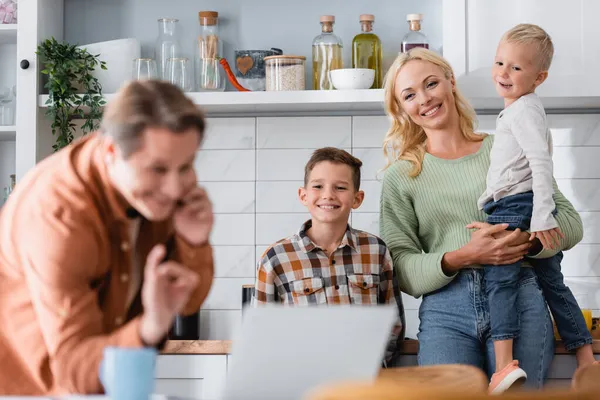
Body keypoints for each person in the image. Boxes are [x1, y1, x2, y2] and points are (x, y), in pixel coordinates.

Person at [378, 47, 584, 389]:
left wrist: (526, 243)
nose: (425, 99)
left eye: (431, 84)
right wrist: (465, 255)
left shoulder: (504, 145)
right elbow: (401, 267)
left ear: (450, 82)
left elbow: (571, 225)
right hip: (446, 309)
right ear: (402, 109)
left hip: (519, 296)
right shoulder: (400, 177)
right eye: (410, 95)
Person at [0, 80, 215, 395]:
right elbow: (74, 370)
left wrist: (193, 243)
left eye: (185, 167)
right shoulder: (58, 214)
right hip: (30, 392)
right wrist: (149, 326)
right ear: (113, 151)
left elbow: (187, 302)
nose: (173, 188)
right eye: (157, 169)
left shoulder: (151, 196)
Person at [477, 23, 596, 393]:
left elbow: (540, 164)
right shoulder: (522, 109)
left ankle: (503, 366)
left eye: (516, 67)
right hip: (517, 203)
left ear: (539, 76)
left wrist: (541, 217)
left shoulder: (522, 111)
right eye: (500, 62)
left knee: (500, 283)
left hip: (515, 207)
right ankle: (586, 359)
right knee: (553, 286)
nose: (503, 73)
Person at [252, 147, 404, 365]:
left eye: (340, 187)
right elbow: (262, 333)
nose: (328, 195)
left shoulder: (376, 251)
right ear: (303, 195)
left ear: (357, 198)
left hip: (364, 382)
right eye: (318, 186)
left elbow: (393, 324)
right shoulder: (276, 257)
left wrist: (373, 367)